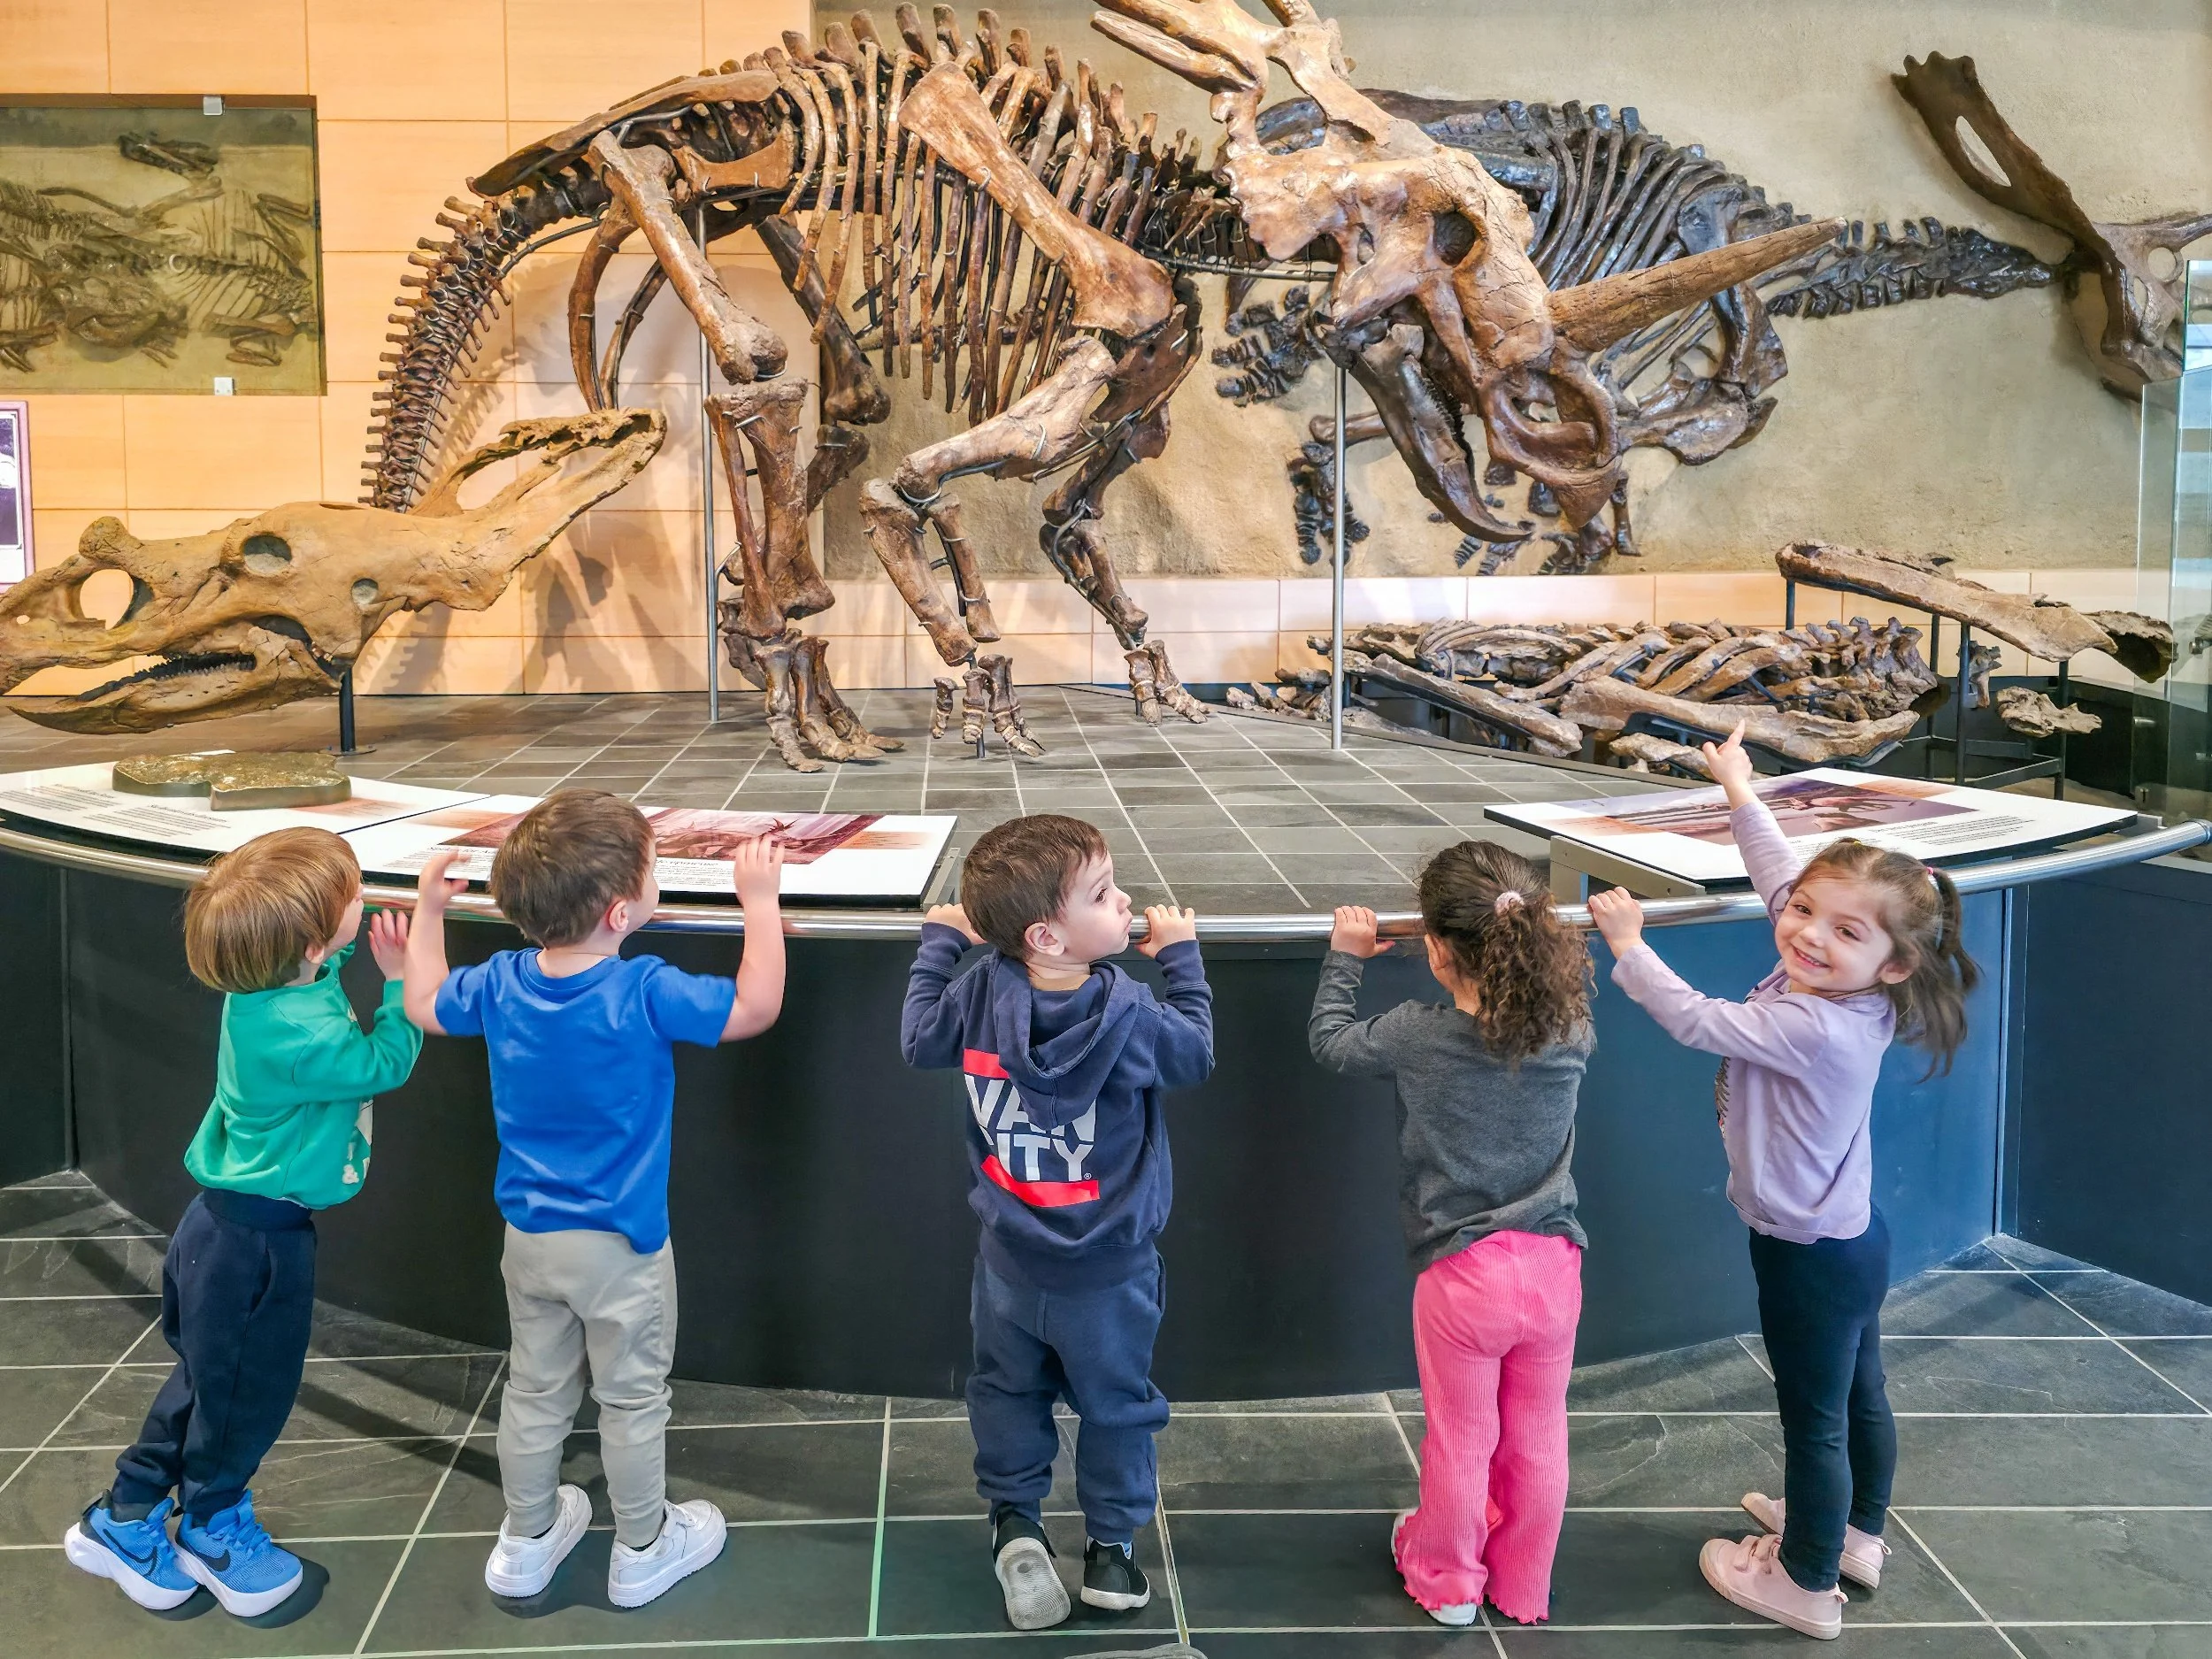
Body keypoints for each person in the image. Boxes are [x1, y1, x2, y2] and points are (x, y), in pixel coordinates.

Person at [1588, 726, 1979, 1641]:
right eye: (1805, 911)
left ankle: (1805, 1581)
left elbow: (1696, 1020)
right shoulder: (1847, 984)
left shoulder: (1816, 1026)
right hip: (1849, 1237)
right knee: (1856, 1394)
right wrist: (1739, 790)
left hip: (1807, 1253)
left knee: (1815, 1421)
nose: (1805, 932)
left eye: (1843, 930)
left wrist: (1628, 945)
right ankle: (1854, 1536)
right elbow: (1781, 879)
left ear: (1894, 963)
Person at [402, 790, 787, 1609]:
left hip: (529, 1239)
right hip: (622, 1247)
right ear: (621, 912)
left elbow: (423, 1003)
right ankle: (644, 1546)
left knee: (535, 1391)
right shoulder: (643, 988)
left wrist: (428, 911)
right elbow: (754, 1006)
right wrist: (760, 902)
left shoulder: (502, 982)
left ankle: (526, 1536)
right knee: (633, 1398)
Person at [65, 828, 420, 1617]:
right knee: (245, 1397)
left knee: (207, 1382)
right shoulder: (304, 1033)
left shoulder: (266, 990)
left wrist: (349, 941)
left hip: (219, 1230)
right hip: (258, 1247)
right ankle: (214, 1525)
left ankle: (127, 1512)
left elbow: (321, 969)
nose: (363, 898)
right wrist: (401, 983)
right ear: (309, 942)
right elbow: (383, 1062)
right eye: (353, 895)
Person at [901, 814, 1213, 1632]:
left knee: (1007, 1391)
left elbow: (918, 1039)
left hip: (1007, 1264)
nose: (1128, 902)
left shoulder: (977, 993)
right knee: (1117, 1406)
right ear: (1047, 934)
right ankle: (1110, 1552)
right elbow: (1194, 1054)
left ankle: (1015, 1524)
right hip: (1110, 1274)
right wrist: (1182, 958)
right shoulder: (1131, 1014)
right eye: (1105, 895)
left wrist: (940, 941)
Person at [1310, 841, 1594, 1629]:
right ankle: (1523, 1583)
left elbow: (1330, 1041)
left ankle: (1449, 1582)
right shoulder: (1570, 1025)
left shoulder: (1415, 1034)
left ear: (1435, 949)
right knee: (1539, 1433)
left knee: (1463, 1437)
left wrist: (1345, 955)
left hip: (1464, 1273)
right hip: (1554, 1265)